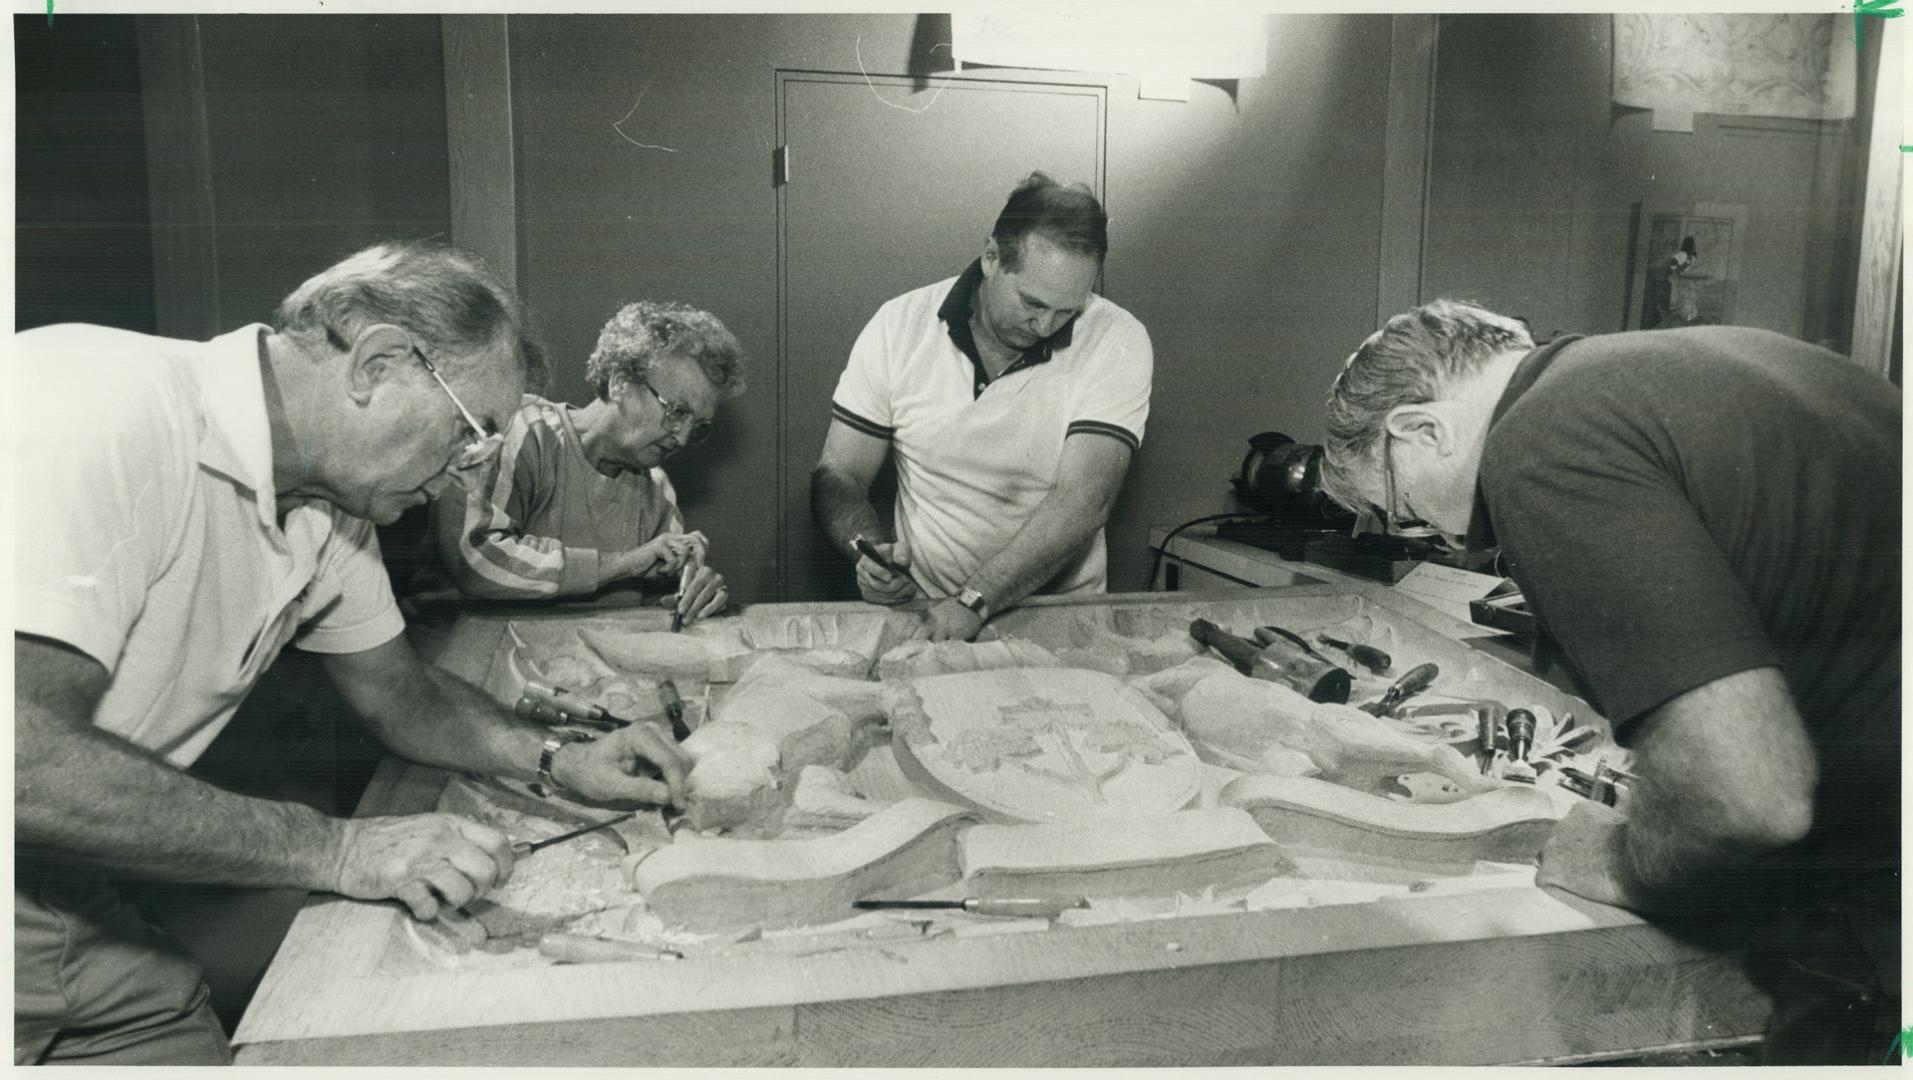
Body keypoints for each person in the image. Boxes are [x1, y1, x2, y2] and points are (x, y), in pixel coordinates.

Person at [14, 242, 694, 1065]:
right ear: (376, 364)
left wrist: (559, 758)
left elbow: (398, 693)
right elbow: (23, 760)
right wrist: (336, 849)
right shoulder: (95, 405)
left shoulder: (328, 501)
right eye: (467, 434)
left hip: (69, 888)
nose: (459, 478)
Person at [1316, 299, 1901, 1065]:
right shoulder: (1679, 363)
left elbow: (1748, 795)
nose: (1440, 542)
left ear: (1421, 431)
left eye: (1399, 511)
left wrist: (1619, 859)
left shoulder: (1537, 445)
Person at [811, 172, 1153, 640]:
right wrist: (868, 551)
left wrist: (975, 599)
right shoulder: (899, 325)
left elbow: (1084, 499)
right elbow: (839, 472)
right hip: (928, 612)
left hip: (1058, 618)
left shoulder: (1117, 338)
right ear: (992, 257)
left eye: (1068, 311)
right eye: (1032, 302)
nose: (1048, 325)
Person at [428, 300, 744, 623]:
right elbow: (475, 562)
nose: (682, 438)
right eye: (676, 411)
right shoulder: (523, 433)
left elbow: (657, 614)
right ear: (619, 382)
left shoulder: (658, 490)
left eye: (698, 426)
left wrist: (692, 592)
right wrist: (623, 563)